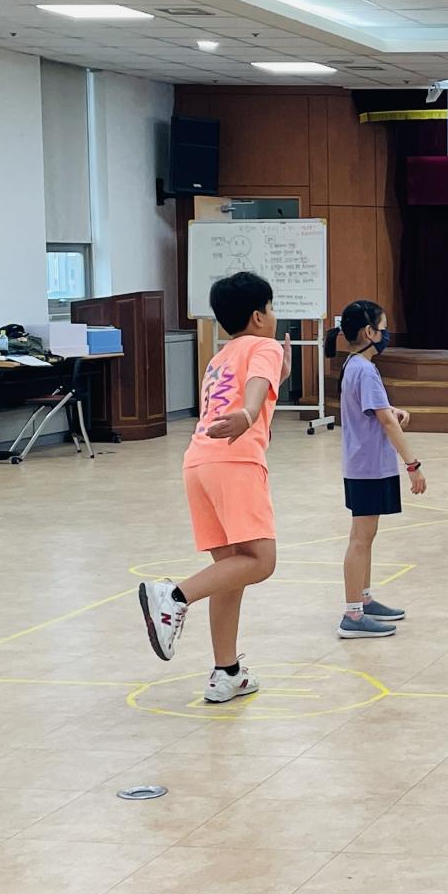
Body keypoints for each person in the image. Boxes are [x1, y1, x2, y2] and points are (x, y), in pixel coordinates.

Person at [138, 271, 289, 703]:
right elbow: (255, 388)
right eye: (272, 308)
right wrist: (250, 413)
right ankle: (174, 595)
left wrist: (270, 387)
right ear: (258, 316)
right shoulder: (266, 346)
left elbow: (253, 384)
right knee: (261, 561)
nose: (274, 315)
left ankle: (227, 672)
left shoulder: (219, 357)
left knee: (230, 572)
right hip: (234, 461)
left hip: (198, 464)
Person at [328, 299, 426, 639]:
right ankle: (352, 614)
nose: (386, 334)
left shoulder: (355, 365)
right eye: (383, 328)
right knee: (360, 538)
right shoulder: (365, 370)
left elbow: (377, 411)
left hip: (364, 464)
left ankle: (364, 600)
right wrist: (412, 464)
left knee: (366, 536)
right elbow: (385, 420)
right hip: (367, 467)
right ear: (369, 332)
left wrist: (391, 410)